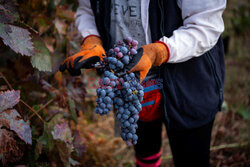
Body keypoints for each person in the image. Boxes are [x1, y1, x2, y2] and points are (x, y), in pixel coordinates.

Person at [59, 0, 226, 166]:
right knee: (145, 150)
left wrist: (158, 52)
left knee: (191, 158)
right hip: (129, 83)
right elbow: (88, 9)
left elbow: (206, 25)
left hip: (187, 81)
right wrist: (92, 38)